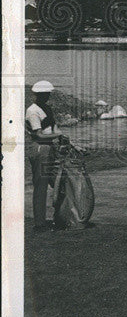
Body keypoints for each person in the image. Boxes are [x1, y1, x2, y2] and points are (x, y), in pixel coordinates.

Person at [25, 80, 63, 231]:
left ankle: (60, 217)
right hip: (40, 149)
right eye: (44, 94)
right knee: (41, 187)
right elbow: (38, 135)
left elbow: (55, 127)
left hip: (50, 148)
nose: (47, 96)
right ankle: (40, 223)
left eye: (48, 94)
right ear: (37, 95)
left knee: (60, 183)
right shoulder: (32, 111)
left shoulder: (46, 108)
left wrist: (62, 138)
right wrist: (56, 135)